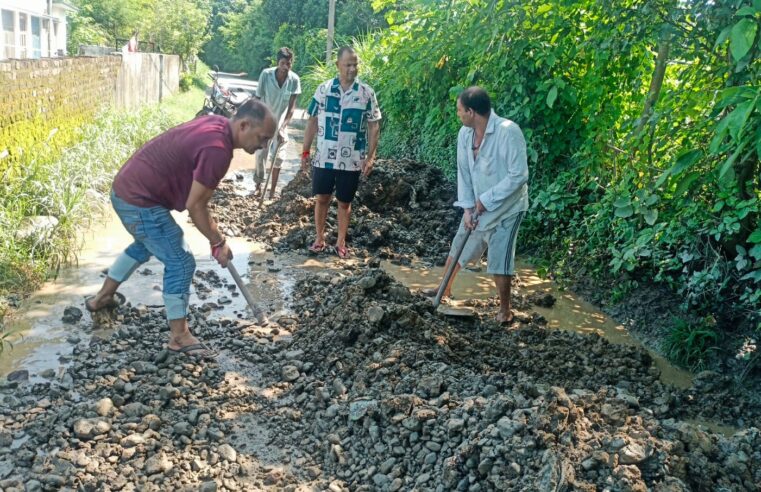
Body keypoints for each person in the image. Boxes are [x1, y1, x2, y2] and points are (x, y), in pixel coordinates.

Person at [85, 100, 276, 356]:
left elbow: (199, 201)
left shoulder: (218, 125)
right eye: (262, 138)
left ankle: (102, 299)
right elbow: (195, 205)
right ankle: (179, 336)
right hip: (139, 200)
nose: (263, 146)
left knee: (146, 244)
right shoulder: (218, 150)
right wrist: (218, 241)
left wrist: (214, 237)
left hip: (126, 189)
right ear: (244, 125)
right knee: (181, 261)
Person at [429, 87, 528, 324]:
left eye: (459, 110)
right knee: (459, 245)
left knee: (499, 257)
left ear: (471, 112)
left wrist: (486, 200)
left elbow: (519, 176)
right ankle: (443, 291)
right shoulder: (465, 134)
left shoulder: (508, 132)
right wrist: (466, 208)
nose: (458, 115)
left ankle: (505, 310)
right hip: (476, 204)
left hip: (508, 207)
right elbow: (464, 173)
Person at [300, 46, 381, 259]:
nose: (352, 69)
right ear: (338, 65)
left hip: (352, 158)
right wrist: (305, 151)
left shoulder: (366, 93)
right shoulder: (323, 90)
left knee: (345, 202)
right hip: (324, 157)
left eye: (355, 64)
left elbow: (374, 125)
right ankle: (319, 238)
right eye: (348, 65)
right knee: (322, 198)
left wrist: (371, 157)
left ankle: (341, 242)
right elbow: (312, 121)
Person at [254, 47, 301, 198]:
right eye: (282, 63)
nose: (285, 67)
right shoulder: (266, 75)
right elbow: (258, 99)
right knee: (261, 154)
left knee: (279, 157)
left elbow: (292, 108)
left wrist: (282, 127)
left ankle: (272, 192)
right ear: (277, 62)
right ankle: (258, 185)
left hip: (281, 122)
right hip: (265, 119)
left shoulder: (294, 80)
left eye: (288, 63)